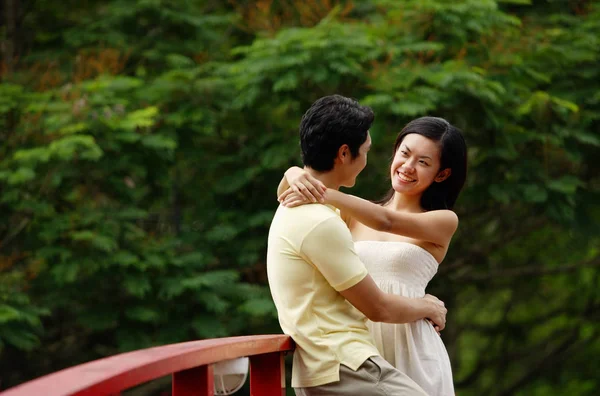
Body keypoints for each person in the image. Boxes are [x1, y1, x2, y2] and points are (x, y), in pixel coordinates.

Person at [267, 95, 448, 396]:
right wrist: (426, 305)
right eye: (364, 152)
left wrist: (300, 176)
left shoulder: (313, 211)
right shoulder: (322, 220)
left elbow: (384, 219)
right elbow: (377, 306)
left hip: (350, 359)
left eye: (424, 161)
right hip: (346, 361)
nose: (366, 160)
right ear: (343, 153)